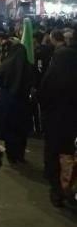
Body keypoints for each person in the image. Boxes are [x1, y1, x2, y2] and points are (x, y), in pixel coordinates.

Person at [38, 35, 77, 208]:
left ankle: (57, 189)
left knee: (55, 152)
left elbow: (45, 89)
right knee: (69, 153)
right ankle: (69, 187)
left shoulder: (59, 61)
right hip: (71, 118)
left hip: (56, 117)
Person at [0, 39, 34, 163]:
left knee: (9, 128)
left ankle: (11, 155)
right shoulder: (29, 66)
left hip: (7, 100)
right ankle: (20, 155)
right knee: (20, 129)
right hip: (23, 101)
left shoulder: (7, 63)